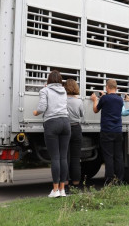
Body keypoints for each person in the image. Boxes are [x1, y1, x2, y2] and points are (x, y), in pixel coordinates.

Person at [32, 70, 70, 198]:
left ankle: (55, 190)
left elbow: (42, 108)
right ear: (60, 80)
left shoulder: (45, 91)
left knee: (55, 157)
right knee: (63, 157)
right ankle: (62, 189)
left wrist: (35, 112)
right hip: (65, 122)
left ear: (48, 80)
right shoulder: (64, 91)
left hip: (52, 123)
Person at [91, 79, 124, 184]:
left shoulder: (104, 99)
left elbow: (96, 110)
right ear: (116, 88)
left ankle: (109, 180)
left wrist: (95, 99)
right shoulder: (120, 100)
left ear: (107, 87)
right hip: (118, 131)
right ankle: (119, 179)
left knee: (108, 156)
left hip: (107, 131)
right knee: (118, 156)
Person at [65, 79, 84, 190]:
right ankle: (76, 183)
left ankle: (65, 182)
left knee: (65, 157)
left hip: (66, 128)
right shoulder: (79, 101)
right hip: (76, 128)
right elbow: (82, 114)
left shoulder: (62, 100)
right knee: (76, 157)